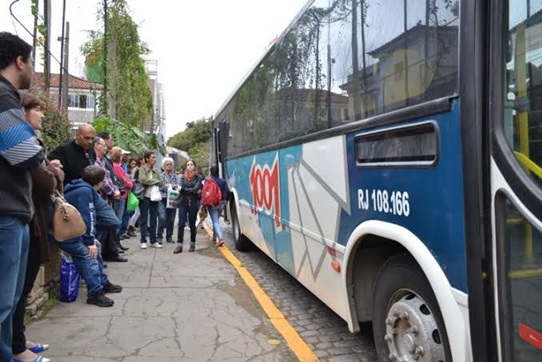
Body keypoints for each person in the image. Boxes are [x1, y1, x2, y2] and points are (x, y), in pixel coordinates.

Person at [0, 32, 45, 362]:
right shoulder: (4, 97)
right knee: (3, 300)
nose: (33, 68)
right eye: (31, 61)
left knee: (10, 298)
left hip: (12, 211)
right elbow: (26, 154)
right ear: (19, 61)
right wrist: (36, 144)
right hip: (6, 212)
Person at [11, 91, 63, 362]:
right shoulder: (20, 141)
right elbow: (46, 182)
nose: (43, 114)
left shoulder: (31, 141)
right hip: (29, 220)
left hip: (34, 220)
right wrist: (53, 171)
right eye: (37, 110)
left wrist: (52, 171)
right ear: (22, 113)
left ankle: (18, 339)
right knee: (16, 290)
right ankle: (16, 346)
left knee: (23, 286)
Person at [58, 165, 123, 307]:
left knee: (95, 251)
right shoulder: (84, 192)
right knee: (89, 254)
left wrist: (90, 238)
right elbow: (88, 217)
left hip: (70, 230)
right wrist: (89, 241)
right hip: (66, 233)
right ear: (99, 182)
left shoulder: (80, 187)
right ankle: (95, 293)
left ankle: (102, 283)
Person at [174, 160, 203, 254]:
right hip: (183, 202)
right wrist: (186, 190)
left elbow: (196, 189)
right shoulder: (183, 177)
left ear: (194, 166)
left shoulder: (198, 177)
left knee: (192, 224)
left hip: (194, 202)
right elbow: (180, 188)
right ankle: (179, 245)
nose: (189, 166)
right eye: (188, 165)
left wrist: (184, 190)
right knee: (181, 223)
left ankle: (192, 243)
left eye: (191, 165)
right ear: (186, 167)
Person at [138, 151, 162, 249]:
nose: (155, 159)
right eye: (152, 157)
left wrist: (155, 181)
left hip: (155, 197)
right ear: (147, 159)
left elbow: (161, 182)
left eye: (155, 157)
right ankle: (143, 240)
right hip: (145, 196)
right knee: (144, 219)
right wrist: (155, 181)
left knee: (153, 219)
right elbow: (143, 180)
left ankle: (153, 240)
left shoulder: (156, 170)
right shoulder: (142, 169)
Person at [110, 146, 133, 239]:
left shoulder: (112, 165)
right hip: (121, 195)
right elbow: (125, 181)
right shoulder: (117, 167)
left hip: (119, 194)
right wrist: (131, 184)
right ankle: (116, 241)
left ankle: (116, 241)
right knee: (118, 219)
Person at [157, 157, 179, 244]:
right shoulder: (161, 176)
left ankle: (169, 236)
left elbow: (178, 186)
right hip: (162, 199)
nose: (169, 166)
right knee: (162, 218)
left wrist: (170, 186)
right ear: (164, 166)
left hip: (173, 200)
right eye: (167, 164)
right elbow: (160, 186)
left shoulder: (175, 176)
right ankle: (159, 236)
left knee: (171, 219)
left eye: (170, 164)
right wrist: (168, 186)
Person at [207, 165, 230, 247]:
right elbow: (227, 191)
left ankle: (220, 238)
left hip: (212, 204)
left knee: (215, 221)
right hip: (221, 203)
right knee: (216, 220)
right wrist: (226, 201)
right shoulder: (223, 181)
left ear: (211, 172)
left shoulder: (208, 181)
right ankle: (214, 238)